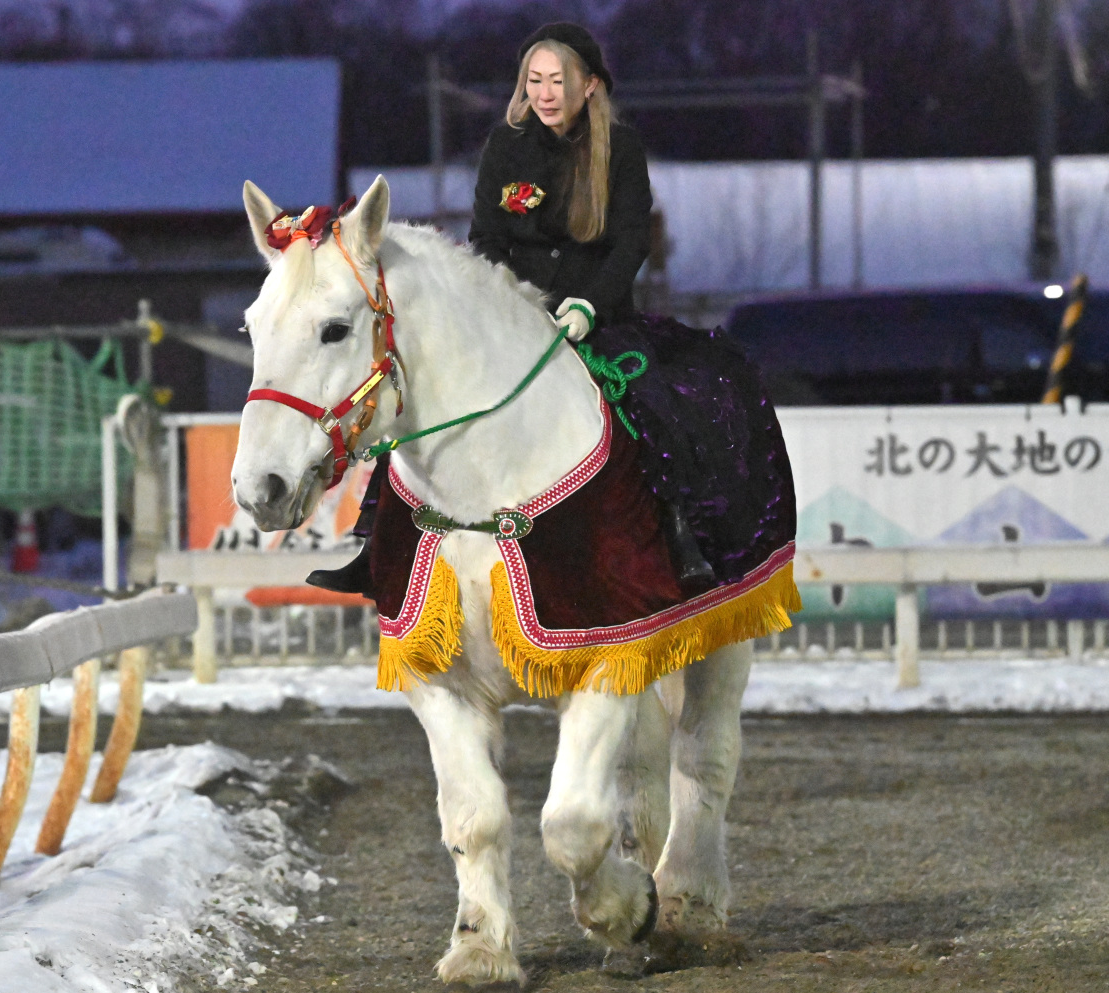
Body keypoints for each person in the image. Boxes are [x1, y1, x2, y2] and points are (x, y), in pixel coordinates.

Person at [312, 22, 791, 597]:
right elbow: (486, 237)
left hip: (599, 321)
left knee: (655, 406)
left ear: (588, 85)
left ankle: (682, 541)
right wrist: (506, 301)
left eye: (556, 80)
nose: (544, 92)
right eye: (534, 80)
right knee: (413, 407)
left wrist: (590, 304)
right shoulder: (504, 147)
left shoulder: (622, 149)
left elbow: (631, 241)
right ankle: (375, 551)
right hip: (515, 322)